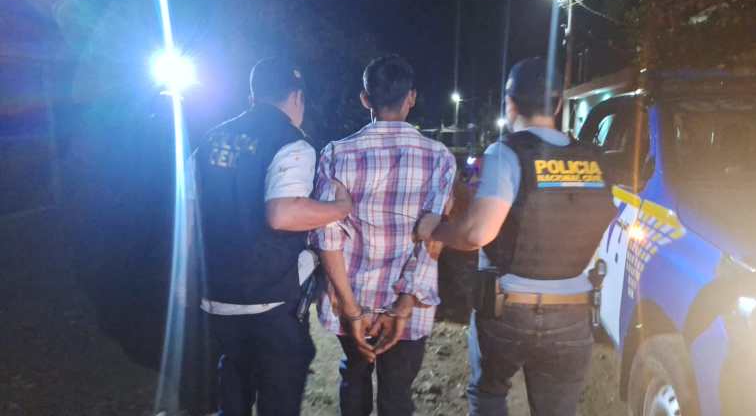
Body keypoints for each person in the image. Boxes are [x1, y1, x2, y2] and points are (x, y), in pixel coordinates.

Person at [425, 57, 614, 416]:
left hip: (509, 310)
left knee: (490, 394)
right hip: (575, 311)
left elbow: (477, 233)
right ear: (558, 104)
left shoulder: (507, 152)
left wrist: (435, 229)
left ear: (509, 104)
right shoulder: (594, 159)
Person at [195, 57, 352, 416]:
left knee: (233, 385)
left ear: (252, 96)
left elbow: (189, 213)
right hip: (269, 300)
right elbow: (283, 214)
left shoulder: (209, 140)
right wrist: (340, 208)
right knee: (278, 396)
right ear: (297, 97)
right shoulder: (292, 144)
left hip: (216, 296)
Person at [311, 55, 456, 416]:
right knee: (397, 393)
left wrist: (352, 310)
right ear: (411, 98)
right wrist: (403, 305)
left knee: (354, 378)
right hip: (409, 304)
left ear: (365, 99)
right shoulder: (439, 157)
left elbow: (327, 236)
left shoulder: (336, 154)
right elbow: (433, 237)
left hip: (351, 301)